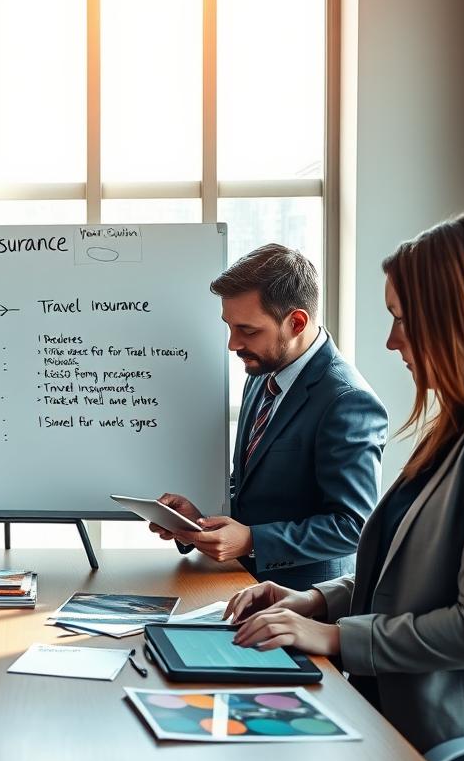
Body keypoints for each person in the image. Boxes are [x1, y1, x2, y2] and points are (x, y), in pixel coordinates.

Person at [226, 214, 464, 752]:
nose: (391, 339)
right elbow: (404, 577)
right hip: (391, 715)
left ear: (459, 319)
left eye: (403, 319)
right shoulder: (457, 426)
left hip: (448, 745)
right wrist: (315, 601)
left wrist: (333, 636)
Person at [150, 244, 389, 589]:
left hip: (308, 606)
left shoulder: (348, 401)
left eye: (248, 331)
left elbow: (353, 526)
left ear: (296, 322)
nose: (233, 344)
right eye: (229, 327)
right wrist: (196, 519)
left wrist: (251, 541)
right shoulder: (263, 373)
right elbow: (254, 491)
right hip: (240, 586)